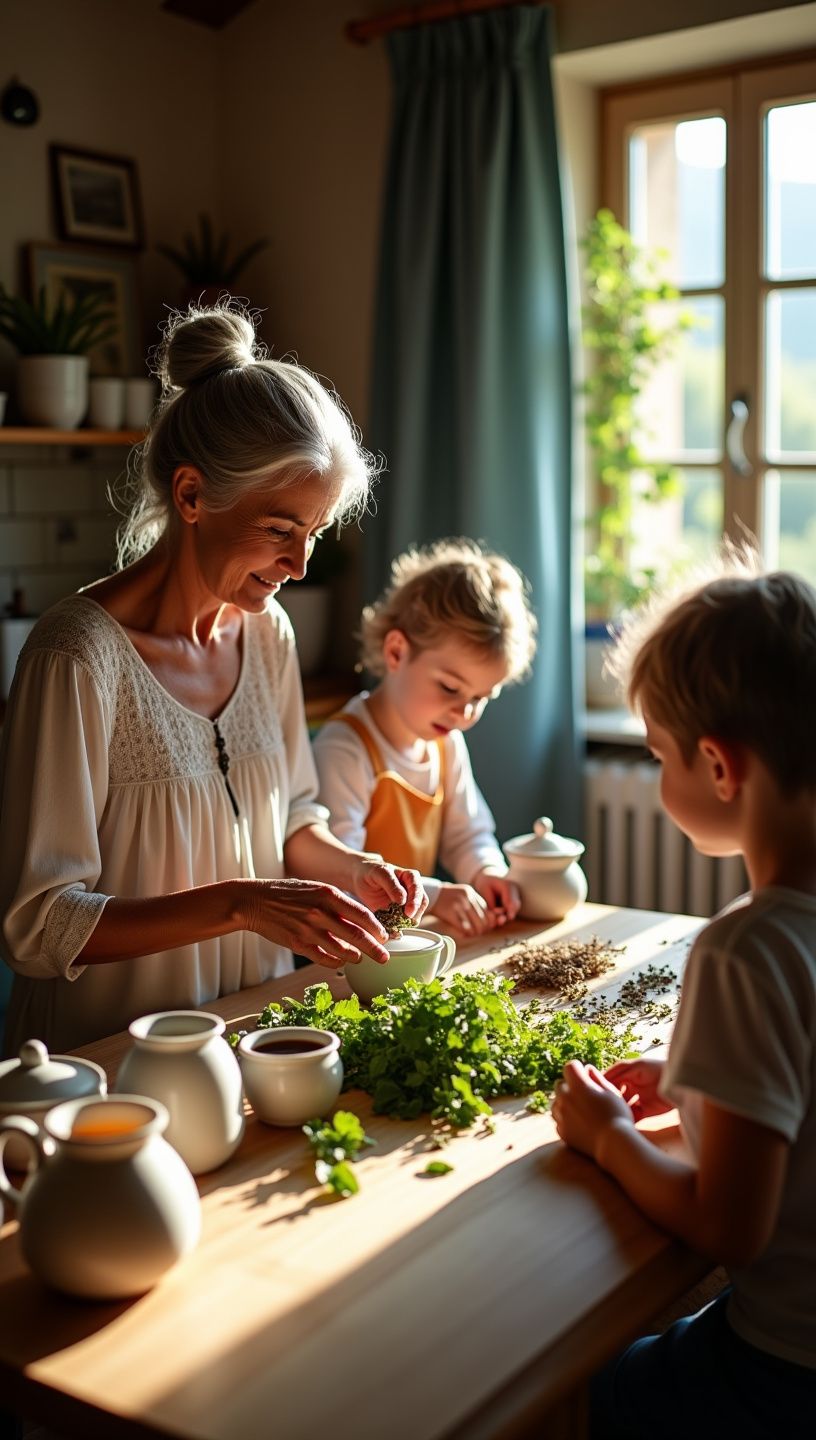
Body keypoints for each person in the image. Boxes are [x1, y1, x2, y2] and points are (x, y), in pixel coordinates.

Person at [0, 302, 427, 1057]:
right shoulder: (77, 658)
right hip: (106, 1076)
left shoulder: (268, 637)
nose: (299, 566)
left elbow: (293, 820)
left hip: (252, 1054)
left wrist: (357, 872)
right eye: (279, 529)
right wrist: (239, 904)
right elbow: (39, 925)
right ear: (192, 496)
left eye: (314, 533)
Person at [551, 555, 816, 1439]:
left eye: (659, 753)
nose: (660, 775)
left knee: (584, 1389)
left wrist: (610, 1138)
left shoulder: (746, 950)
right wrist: (700, 1080)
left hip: (788, 1368)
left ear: (718, 765)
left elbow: (727, 1228)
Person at [312, 538, 538, 935]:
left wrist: (486, 872)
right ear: (397, 652)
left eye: (481, 698)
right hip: (342, 951)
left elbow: (467, 833)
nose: (464, 713)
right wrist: (437, 896)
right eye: (451, 688)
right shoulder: (345, 747)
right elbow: (341, 875)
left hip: (403, 943)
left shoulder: (445, 742)